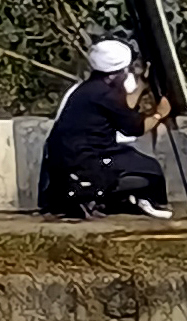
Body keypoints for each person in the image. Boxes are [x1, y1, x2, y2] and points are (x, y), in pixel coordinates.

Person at [40, 39, 173, 220]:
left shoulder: (90, 90)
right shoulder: (105, 95)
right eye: (125, 70)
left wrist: (142, 85)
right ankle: (95, 194)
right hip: (87, 159)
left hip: (72, 156)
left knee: (134, 159)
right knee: (151, 171)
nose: (127, 74)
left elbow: (123, 109)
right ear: (113, 74)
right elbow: (135, 128)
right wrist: (159, 114)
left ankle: (110, 196)